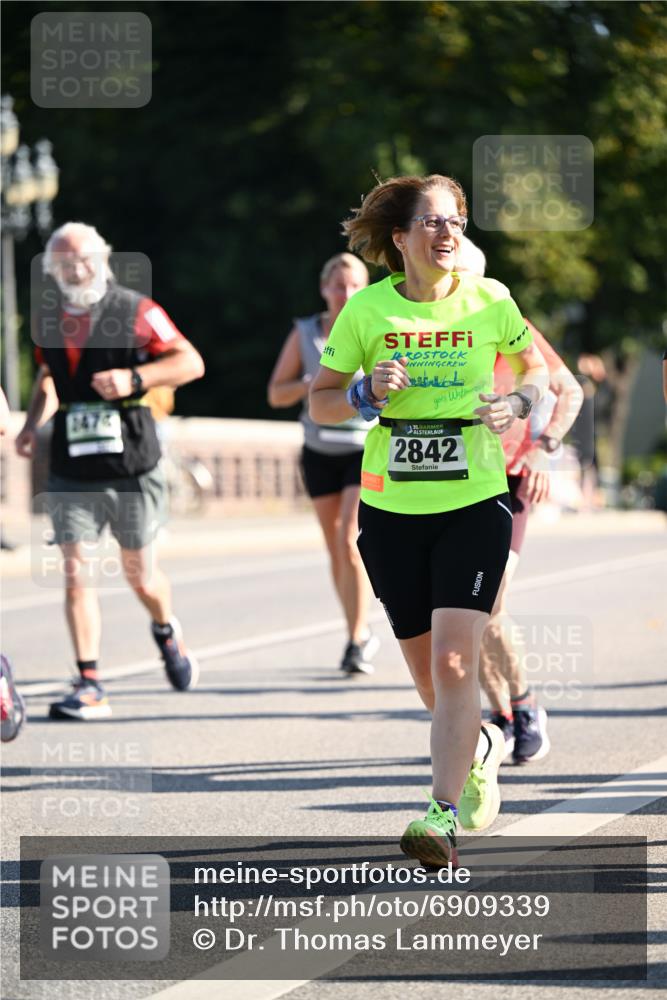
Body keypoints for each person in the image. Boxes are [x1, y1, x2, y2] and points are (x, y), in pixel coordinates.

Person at [310, 174, 548, 867]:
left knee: (453, 659)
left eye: (456, 222)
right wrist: (363, 391)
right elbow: (321, 400)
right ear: (401, 236)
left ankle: (439, 817)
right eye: (433, 222)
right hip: (392, 508)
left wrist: (517, 406)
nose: (447, 233)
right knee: (427, 677)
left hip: (474, 499)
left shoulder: (490, 298)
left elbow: (534, 371)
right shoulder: (366, 310)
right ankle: (479, 745)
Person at [15, 222, 205, 721]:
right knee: (76, 574)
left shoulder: (136, 310)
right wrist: (31, 426)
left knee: (140, 575)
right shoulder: (48, 318)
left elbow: (190, 362)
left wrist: (135, 377)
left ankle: (166, 630)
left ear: (102, 259)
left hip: (131, 463)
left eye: (84, 259)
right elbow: (48, 377)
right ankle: (90, 682)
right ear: (52, 270)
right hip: (72, 466)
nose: (76, 269)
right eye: (64, 263)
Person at [456, 237, 583, 764]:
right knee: (464, 613)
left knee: (489, 602)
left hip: (507, 481)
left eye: (459, 276)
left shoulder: (510, 325)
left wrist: (543, 450)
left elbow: (568, 390)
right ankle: (502, 714)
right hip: (445, 485)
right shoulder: (422, 331)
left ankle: (526, 706)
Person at [268, 253, 380, 674]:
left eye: (354, 285)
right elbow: (275, 394)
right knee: (334, 546)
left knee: (349, 538)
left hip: (361, 448)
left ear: (365, 289)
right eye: (338, 285)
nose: (345, 293)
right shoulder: (305, 333)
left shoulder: (374, 328)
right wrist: (309, 385)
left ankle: (356, 637)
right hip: (318, 451)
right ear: (324, 289)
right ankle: (357, 631)